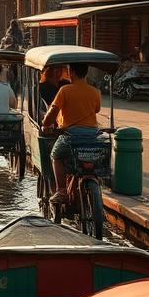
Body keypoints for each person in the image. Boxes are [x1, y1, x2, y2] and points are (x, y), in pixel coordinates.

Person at [42, 63, 102, 204]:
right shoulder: (95, 91)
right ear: (86, 73)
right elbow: (97, 109)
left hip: (71, 136)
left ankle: (61, 191)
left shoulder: (65, 90)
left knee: (56, 155)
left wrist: (46, 122)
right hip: (93, 136)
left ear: (71, 72)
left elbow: (52, 112)